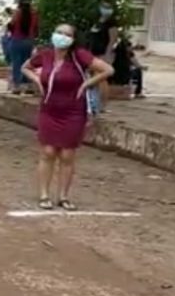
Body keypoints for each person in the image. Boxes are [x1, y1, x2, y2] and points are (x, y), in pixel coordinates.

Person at [23, 23, 114, 211]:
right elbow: (26, 68)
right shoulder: (45, 55)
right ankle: (44, 194)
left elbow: (107, 70)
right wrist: (38, 81)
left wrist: (86, 84)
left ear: (73, 39)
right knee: (48, 152)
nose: (61, 37)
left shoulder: (79, 56)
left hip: (73, 111)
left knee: (67, 154)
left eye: (66, 34)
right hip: (49, 109)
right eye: (59, 32)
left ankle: (63, 196)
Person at [88, 0, 121, 110]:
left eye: (108, 7)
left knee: (101, 78)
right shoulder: (97, 21)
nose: (105, 9)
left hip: (103, 53)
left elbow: (113, 40)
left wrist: (107, 54)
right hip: (93, 53)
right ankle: (95, 102)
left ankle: (103, 104)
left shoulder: (111, 23)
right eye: (104, 7)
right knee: (94, 78)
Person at [8, 0, 38, 94]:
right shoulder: (34, 13)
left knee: (16, 63)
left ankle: (17, 86)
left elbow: (11, 25)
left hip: (16, 40)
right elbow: (36, 28)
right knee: (27, 63)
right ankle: (28, 86)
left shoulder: (17, 13)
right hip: (29, 41)